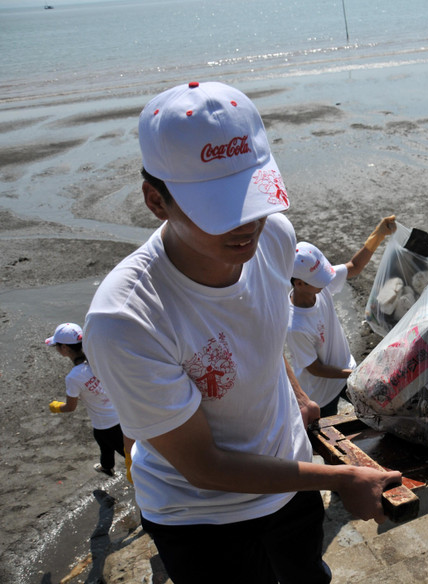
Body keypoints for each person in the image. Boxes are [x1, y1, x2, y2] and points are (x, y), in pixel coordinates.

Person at [83, 81, 400, 584]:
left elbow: (257, 329)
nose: (243, 225)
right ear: (156, 201)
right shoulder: (127, 319)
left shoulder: (273, 235)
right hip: (201, 516)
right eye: (218, 207)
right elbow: (203, 465)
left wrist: (295, 392)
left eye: (250, 196)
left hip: (290, 480)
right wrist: (340, 478)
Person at [287, 218, 396, 419]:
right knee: (328, 436)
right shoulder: (295, 326)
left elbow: (354, 266)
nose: (326, 282)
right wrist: (353, 374)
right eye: (320, 280)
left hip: (347, 372)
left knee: (373, 418)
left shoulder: (320, 284)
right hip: (321, 394)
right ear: (300, 283)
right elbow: (315, 368)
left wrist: (377, 235)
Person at [46, 322, 125, 477]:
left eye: (57, 345)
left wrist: (56, 407)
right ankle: (107, 467)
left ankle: (150, 480)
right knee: (105, 445)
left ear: (65, 349)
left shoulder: (74, 377)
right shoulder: (97, 359)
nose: (56, 349)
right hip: (121, 413)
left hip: (106, 424)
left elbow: (70, 407)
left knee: (126, 452)